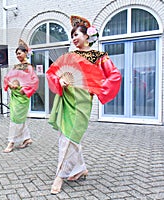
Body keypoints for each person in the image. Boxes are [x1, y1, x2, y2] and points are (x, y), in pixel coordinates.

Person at [46, 15, 122, 194]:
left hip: (82, 102)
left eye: (77, 34)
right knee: (66, 136)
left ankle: (60, 176)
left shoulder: (99, 56)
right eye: (72, 35)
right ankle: (79, 169)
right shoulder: (68, 56)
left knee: (72, 135)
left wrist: (97, 87)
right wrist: (60, 80)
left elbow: (114, 75)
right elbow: (52, 73)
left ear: (87, 36)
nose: (73, 38)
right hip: (67, 98)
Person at [3, 39, 39, 153]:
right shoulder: (15, 67)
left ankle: (11, 142)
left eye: (20, 53)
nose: (18, 55)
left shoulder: (28, 67)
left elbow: (35, 81)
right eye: (16, 54)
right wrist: (9, 84)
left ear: (25, 53)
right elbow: (7, 78)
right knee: (18, 118)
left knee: (15, 119)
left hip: (22, 96)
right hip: (14, 95)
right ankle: (27, 138)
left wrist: (25, 90)